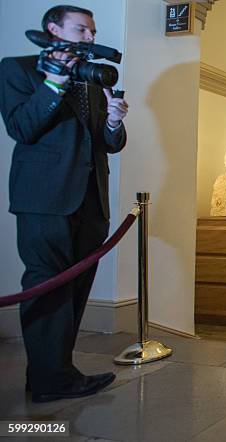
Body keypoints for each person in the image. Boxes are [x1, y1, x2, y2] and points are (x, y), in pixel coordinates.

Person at [0, 5, 128, 402]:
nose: (91, 37)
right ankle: (50, 380)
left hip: (92, 203)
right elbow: (22, 126)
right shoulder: (17, 68)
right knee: (46, 288)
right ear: (52, 29)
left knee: (73, 290)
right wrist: (53, 82)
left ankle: (55, 374)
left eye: (93, 31)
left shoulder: (89, 79)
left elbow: (109, 144)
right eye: (82, 30)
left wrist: (113, 121)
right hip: (44, 201)